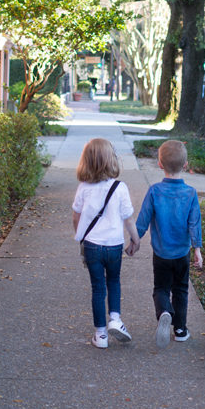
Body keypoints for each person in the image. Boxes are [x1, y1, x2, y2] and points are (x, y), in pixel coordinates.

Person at [130, 139, 203, 348]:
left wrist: (135, 240)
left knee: (161, 287)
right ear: (186, 165)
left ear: (160, 164)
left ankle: (163, 310)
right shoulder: (190, 193)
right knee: (180, 289)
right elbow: (194, 223)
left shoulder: (154, 191)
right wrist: (197, 249)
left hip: (161, 253)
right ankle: (180, 330)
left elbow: (143, 219)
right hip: (181, 253)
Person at [72, 137, 140, 349]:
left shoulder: (83, 187)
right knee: (114, 281)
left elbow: (76, 216)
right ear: (112, 160)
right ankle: (116, 320)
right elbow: (128, 218)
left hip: (92, 245)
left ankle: (100, 335)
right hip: (114, 245)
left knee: (97, 288)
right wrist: (135, 239)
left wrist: (81, 236)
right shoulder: (120, 188)